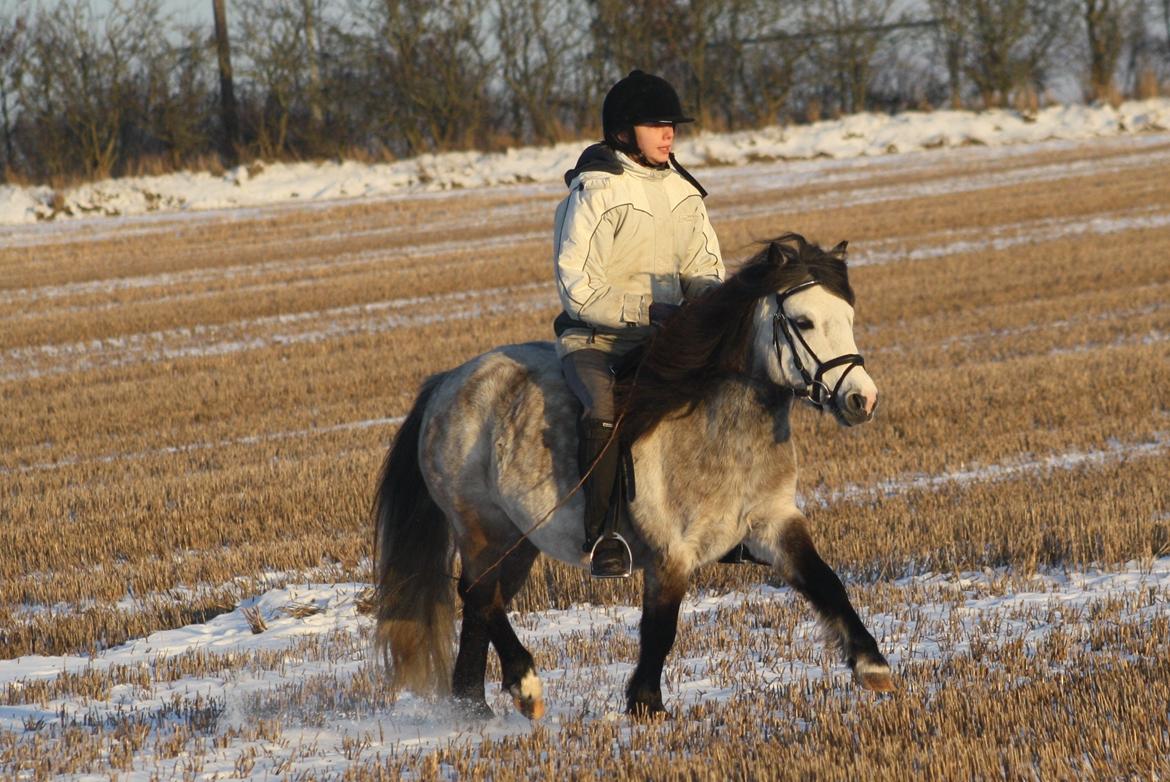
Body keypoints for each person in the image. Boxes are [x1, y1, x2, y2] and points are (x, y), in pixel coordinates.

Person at [552, 69, 725, 578]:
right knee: (604, 409)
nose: (669, 132)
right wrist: (646, 311)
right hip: (596, 342)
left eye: (672, 123)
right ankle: (602, 534)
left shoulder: (684, 193)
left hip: (666, 338)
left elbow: (704, 270)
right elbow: (577, 289)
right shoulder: (595, 191)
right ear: (625, 133)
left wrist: (713, 306)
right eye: (656, 124)